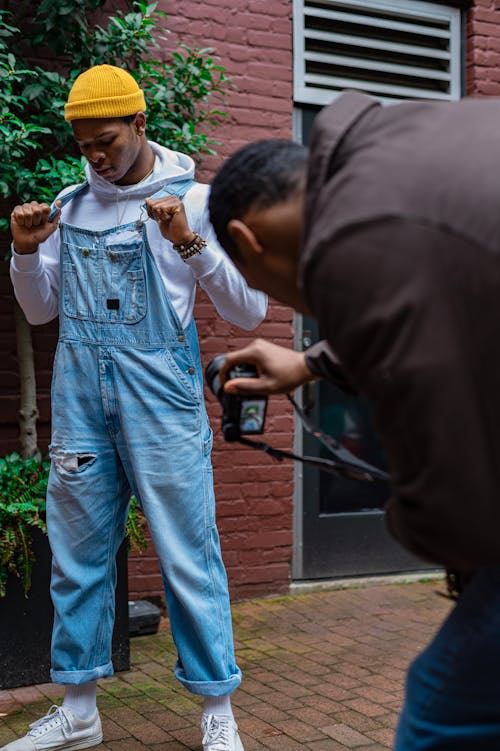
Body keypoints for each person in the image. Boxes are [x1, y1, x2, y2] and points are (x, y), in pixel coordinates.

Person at [207, 89, 500, 751]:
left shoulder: (346, 244)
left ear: (248, 241)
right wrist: (308, 363)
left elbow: (460, 510)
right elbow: (442, 283)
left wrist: (411, 518)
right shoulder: (393, 148)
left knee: (440, 710)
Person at [6, 64, 267, 751]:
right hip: (81, 403)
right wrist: (25, 254)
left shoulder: (197, 198)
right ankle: (79, 710)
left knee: (189, 557)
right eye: (84, 144)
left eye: (108, 141)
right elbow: (40, 313)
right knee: (77, 556)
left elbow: (250, 309)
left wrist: (187, 240)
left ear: (141, 124)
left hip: (163, 405)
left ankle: (217, 714)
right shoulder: (70, 206)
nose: (95, 156)